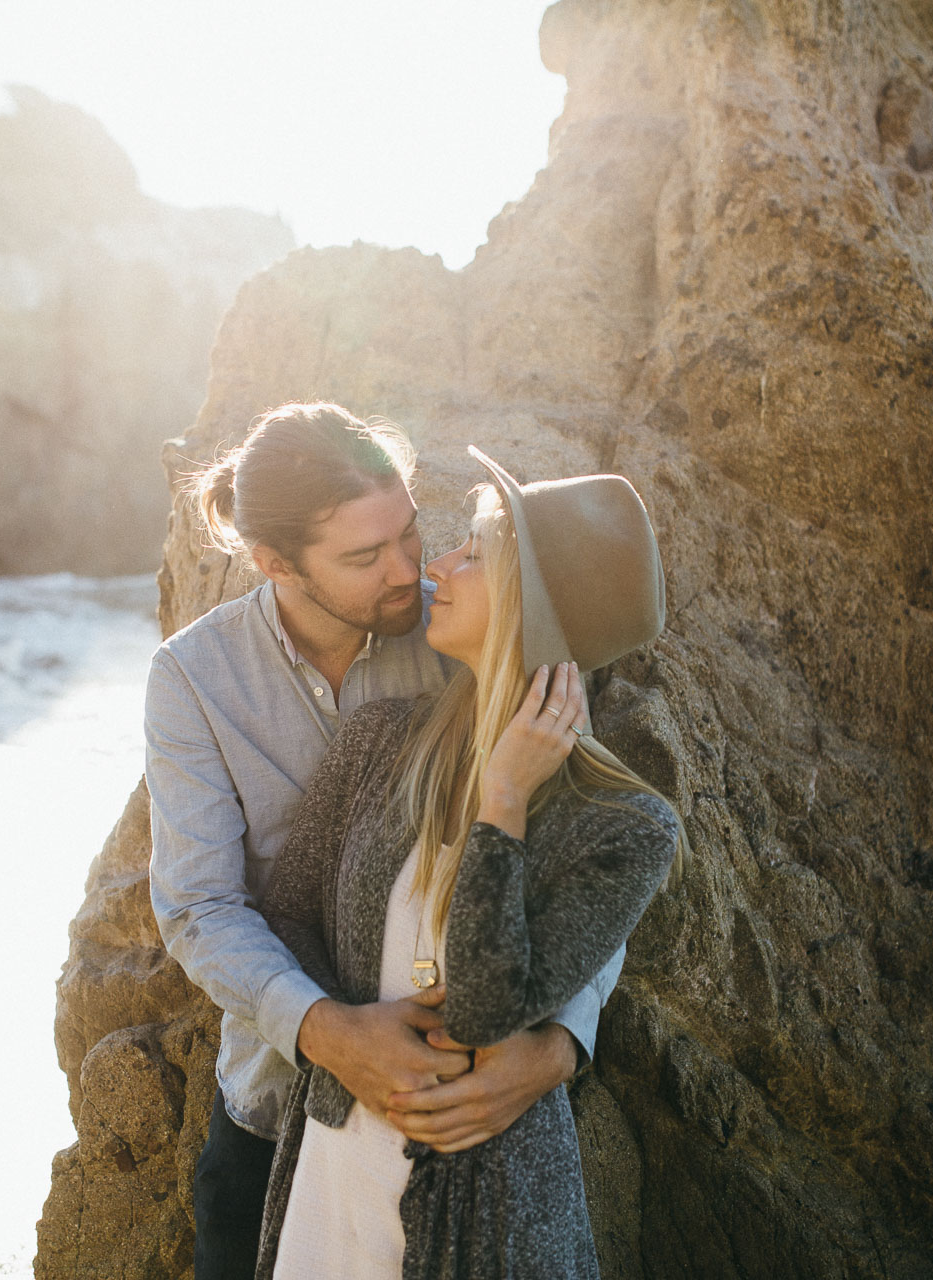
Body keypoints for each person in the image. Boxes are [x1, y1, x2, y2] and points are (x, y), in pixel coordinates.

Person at [146, 405, 627, 1280]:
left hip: (465, 1119)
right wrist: (331, 1035)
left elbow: (586, 852)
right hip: (273, 1103)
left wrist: (555, 1048)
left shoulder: (469, 635)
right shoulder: (194, 678)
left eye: (411, 532)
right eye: (366, 558)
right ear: (276, 564)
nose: (410, 572)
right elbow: (200, 906)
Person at [254, 447, 684, 1279]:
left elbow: (489, 1012)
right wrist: (343, 1042)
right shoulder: (378, 741)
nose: (437, 566)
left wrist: (504, 803)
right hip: (335, 1180)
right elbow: (287, 913)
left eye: (474, 555)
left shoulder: (627, 828)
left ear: (531, 611)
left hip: (496, 1210)